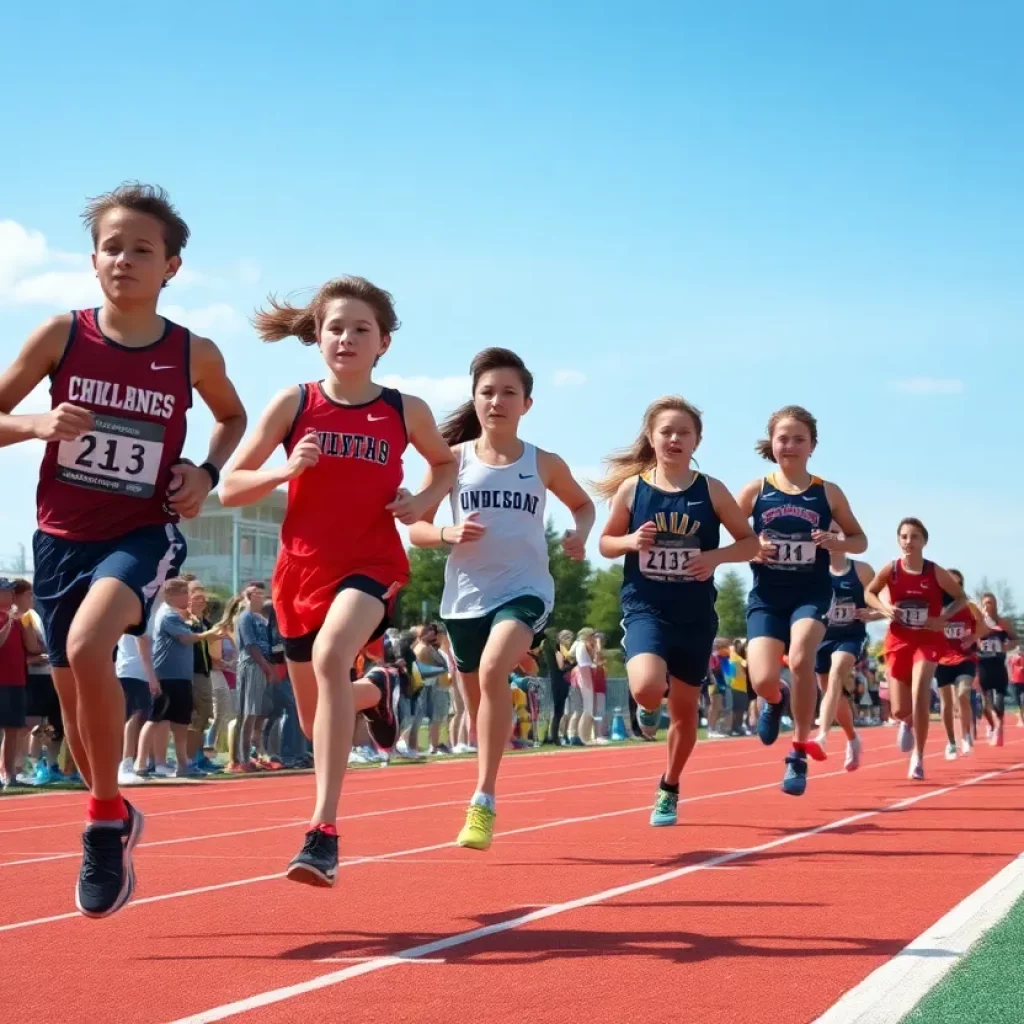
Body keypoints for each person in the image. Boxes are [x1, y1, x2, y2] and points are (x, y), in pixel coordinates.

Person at [0, 183, 246, 917]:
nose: (126, 260)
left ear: (172, 266)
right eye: (113, 246)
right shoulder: (61, 336)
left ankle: (103, 826)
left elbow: (230, 417)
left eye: (143, 249)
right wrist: (38, 423)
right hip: (59, 539)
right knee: (77, 699)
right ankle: (108, 810)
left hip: (143, 532)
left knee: (85, 641)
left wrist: (205, 471)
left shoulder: (190, 351)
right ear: (92, 259)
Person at [221, 275, 456, 886]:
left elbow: (446, 463)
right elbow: (229, 485)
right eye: (336, 328)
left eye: (361, 329)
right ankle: (377, 690)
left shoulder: (405, 409)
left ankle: (322, 832)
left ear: (383, 343)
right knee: (312, 719)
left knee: (331, 658)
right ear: (318, 337)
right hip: (300, 573)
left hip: (371, 564)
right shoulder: (294, 404)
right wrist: (284, 469)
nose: (347, 338)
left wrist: (423, 499)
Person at [408, 347, 594, 851]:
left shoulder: (544, 463)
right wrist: (446, 532)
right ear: (475, 399)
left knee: (493, 672)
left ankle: (483, 800)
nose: (497, 401)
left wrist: (579, 533)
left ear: (526, 404)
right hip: (465, 599)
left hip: (525, 589)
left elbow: (582, 504)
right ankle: (485, 766)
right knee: (474, 706)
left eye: (509, 392)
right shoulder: (453, 462)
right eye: (487, 392)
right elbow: (417, 527)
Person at [597, 395, 759, 826]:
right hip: (646, 607)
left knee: (686, 713)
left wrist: (715, 558)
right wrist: (631, 542)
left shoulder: (711, 490)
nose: (674, 439)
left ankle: (669, 786)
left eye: (683, 432)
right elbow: (606, 543)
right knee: (649, 688)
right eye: (665, 431)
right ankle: (647, 706)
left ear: (696, 441)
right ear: (651, 438)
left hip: (694, 614)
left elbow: (751, 543)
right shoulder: (635, 489)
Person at [737, 405, 867, 796]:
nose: (790, 445)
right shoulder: (756, 490)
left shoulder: (827, 492)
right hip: (767, 596)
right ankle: (776, 700)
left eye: (798, 439)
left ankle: (797, 754)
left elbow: (860, 540)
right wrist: (752, 546)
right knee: (761, 680)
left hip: (811, 593)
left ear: (812, 445)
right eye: (783, 438)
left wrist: (837, 541)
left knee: (800, 658)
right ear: (771, 443)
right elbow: (727, 535)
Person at [865, 518, 967, 779]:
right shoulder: (892, 570)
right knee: (899, 708)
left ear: (924, 541)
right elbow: (869, 593)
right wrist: (885, 608)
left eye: (914, 537)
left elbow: (960, 598)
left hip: (928, 639)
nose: (909, 542)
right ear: (899, 541)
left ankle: (918, 758)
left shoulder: (934, 572)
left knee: (921, 691)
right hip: (899, 640)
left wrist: (942, 618)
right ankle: (906, 722)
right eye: (904, 537)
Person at [813, 551, 879, 771]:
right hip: (821, 638)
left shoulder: (861, 570)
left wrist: (872, 614)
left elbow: (885, 603)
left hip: (851, 637)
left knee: (836, 674)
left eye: (835, 533)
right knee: (832, 692)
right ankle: (852, 738)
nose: (830, 539)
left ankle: (822, 735)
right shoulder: (813, 569)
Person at [934, 570, 986, 759]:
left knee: (963, 695)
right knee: (946, 703)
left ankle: (965, 735)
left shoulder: (969, 605)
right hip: (941, 659)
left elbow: (983, 625)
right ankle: (951, 742)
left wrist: (973, 636)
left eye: (956, 583)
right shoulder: (936, 606)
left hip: (965, 658)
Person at [976, 592, 1018, 747]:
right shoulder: (978, 623)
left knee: (999, 696)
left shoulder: (1003, 623)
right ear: (981, 605)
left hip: (999, 664)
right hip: (983, 665)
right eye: (985, 603)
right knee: (985, 700)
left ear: (995, 605)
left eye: (991, 603)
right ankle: (994, 725)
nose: (988, 606)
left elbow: (1015, 639)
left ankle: (998, 726)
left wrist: (1007, 645)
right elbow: (969, 639)